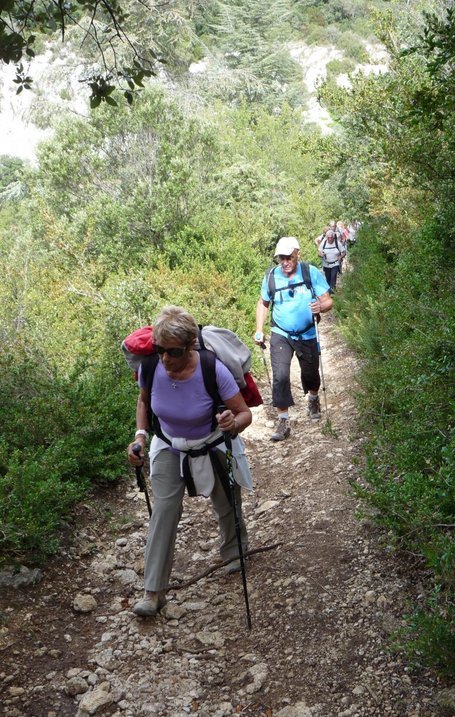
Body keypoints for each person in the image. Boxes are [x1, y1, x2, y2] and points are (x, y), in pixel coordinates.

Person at [127, 305, 253, 616]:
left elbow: (244, 413)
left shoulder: (213, 369)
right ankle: (153, 592)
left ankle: (235, 550)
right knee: (164, 511)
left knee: (226, 501)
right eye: (159, 350)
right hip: (169, 445)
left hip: (210, 443)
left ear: (190, 346)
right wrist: (140, 437)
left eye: (173, 352)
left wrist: (232, 424)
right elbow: (144, 401)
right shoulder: (151, 367)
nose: (165, 358)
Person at [254, 236, 333, 442]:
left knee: (310, 373)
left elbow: (328, 302)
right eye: (281, 258)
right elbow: (263, 303)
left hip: (307, 332)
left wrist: (320, 307)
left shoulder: (310, 272)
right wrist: (259, 329)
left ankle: (313, 398)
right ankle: (283, 421)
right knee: (280, 375)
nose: (285, 262)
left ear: (297, 254)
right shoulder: (271, 276)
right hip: (281, 332)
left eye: (289, 257)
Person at [318, 229, 342, 293]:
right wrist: (321, 254)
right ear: (327, 237)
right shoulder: (323, 243)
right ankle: (329, 291)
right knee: (328, 278)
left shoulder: (337, 243)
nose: (330, 239)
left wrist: (340, 257)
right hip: (326, 264)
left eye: (331, 237)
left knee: (333, 277)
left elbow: (343, 252)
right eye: (328, 238)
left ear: (333, 237)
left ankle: (332, 291)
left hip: (335, 263)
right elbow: (319, 252)